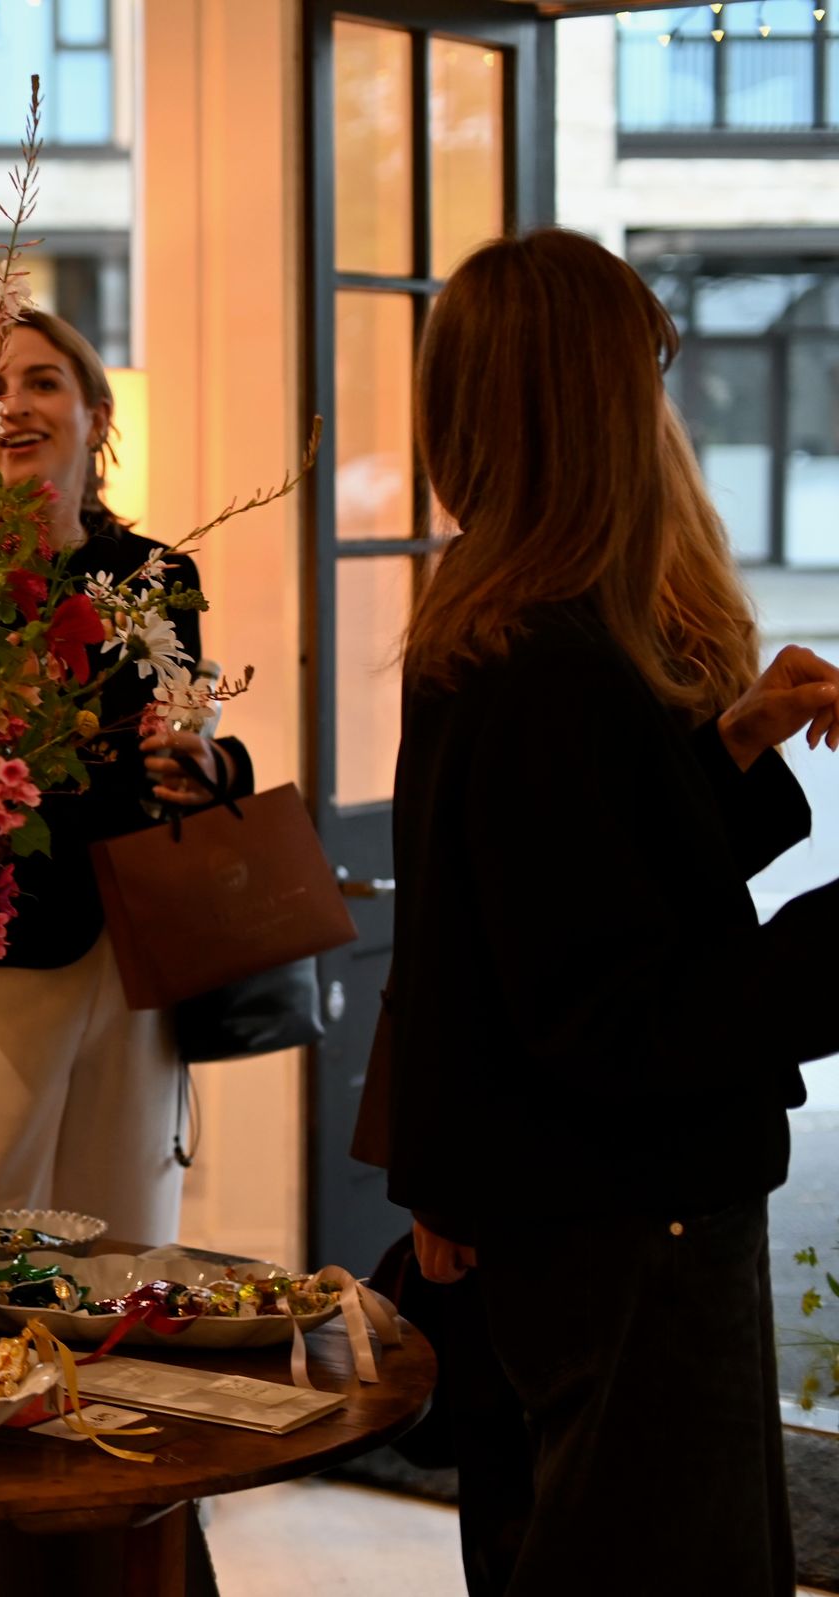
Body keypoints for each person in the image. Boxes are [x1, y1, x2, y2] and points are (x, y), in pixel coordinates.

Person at [384, 228, 839, 1594]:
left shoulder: (501, 620)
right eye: (645, 374)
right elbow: (617, 1021)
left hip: (566, 1210)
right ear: (589, 403)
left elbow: (533, 905)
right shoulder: (553, 664)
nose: (665, 411)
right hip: (628, 1218)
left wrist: (734, 745)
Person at [0, 308, 250, 1242]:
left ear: (94, 412)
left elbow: (184, 740)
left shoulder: (157, 575)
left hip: (133, 959)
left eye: (42, 381)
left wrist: (212, 766)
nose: (13, 404)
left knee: (126, 1239)